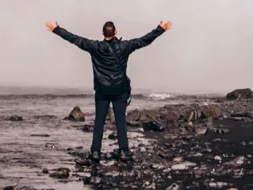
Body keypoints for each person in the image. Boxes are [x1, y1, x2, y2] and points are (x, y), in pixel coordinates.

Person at [45, 19, 172, 163]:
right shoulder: (125, 46)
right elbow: (144, 40)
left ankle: (95, 153)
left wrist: (57, 30)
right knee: (120, 122)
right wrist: (160, 29)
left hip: (102, 91)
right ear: (116, 32)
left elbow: (74, 39)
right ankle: (124, 151)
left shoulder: (95, 47)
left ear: (102, 33)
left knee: (99, 122)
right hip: (120, 90)